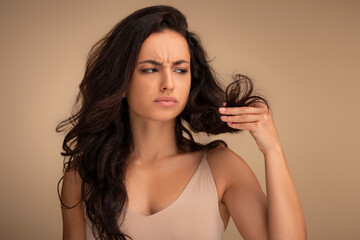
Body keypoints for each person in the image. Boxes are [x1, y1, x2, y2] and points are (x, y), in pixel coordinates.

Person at [56, 5, 306, 240]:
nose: (169, 83)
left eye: (180, 69)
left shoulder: (222, 168)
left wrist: (272, 149)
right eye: (150, 69)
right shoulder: (81, 177)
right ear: (121, 82)